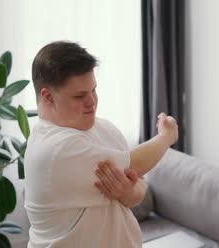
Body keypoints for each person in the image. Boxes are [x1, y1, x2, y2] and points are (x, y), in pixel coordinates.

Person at [24, 41, 178, 247]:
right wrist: (166, 136)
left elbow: (138, 190)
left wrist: (127, 192)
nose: (92, 102)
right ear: (48, 96)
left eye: (93, 90)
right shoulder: (53, 150)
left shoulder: (104, 128)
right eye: (79, 96)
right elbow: (136, 164)